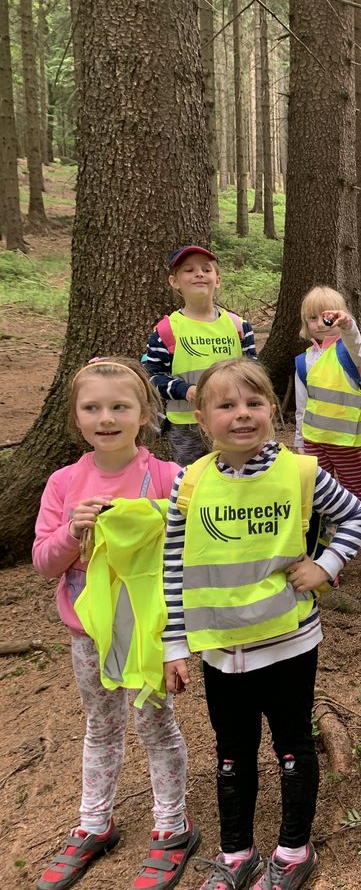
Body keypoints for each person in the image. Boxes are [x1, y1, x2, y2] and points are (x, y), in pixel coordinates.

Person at [163, 359, 361, 890]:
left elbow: (357, 515)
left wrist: (325, 565)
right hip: (221, 648)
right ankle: (237, 854)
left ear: (272, 411)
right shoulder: (189, 483)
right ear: (201, 419)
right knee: (231, 752)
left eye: (254, 403)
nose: (242, 414)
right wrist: (173, 644)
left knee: (292, 744)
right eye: (226, 405)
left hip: (289, 643)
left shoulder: (300, 473)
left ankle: (294, 851)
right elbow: (173, 565)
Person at [33, 359, 197, 890]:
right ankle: (94, 823)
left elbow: (189, 552)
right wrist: (72, 531)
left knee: (155, 724)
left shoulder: (168, 478)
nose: (106, 418)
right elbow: (44, 563)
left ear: (144, 413)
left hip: (147, 632)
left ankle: (172, 825)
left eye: (120, 406)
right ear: (76, 417)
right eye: (93, 407)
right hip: (88, 634)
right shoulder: (64, 483)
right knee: (101, 726)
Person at [143, 245, 256, 466]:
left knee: (236, 472)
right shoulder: (167, 330)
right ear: (174, 282)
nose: (199, 274)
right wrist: (185, 391)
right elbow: (153, 377)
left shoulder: (238, 326)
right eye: (189, 270)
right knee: (193, 476)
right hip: (186, 426)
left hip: (233, 421)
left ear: (217, 280)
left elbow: (255, 372)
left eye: (206, 269)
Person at [293, 287, 361, 566]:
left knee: (359, 496)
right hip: (314, 441)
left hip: (346, 442)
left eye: (327, 317)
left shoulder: (349, 351)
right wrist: (299, 442)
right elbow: (302, 406)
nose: (320, 323)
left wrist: (347, 325)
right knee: (320, 500)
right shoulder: (303, 361)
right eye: (312, 318)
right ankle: (325, 558)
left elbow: (355, 341)